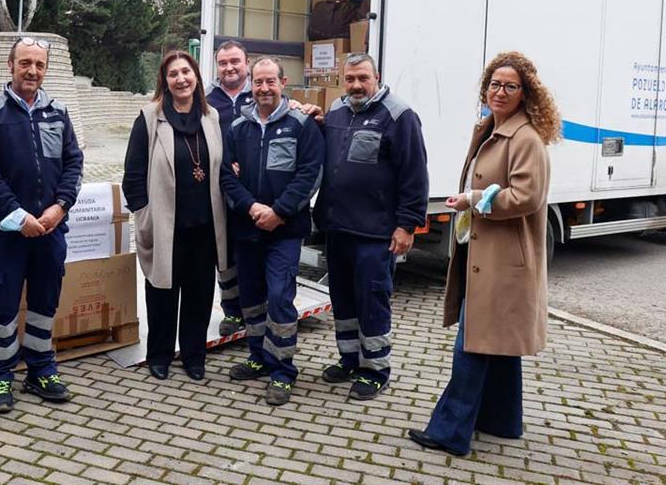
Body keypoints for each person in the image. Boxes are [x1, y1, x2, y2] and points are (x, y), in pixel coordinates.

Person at [408, 51, 559, 456]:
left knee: (473, 342)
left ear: (526, 93)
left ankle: (450, 432)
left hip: (503, 262)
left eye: (511, 86)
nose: (500, 92)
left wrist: (475, 199)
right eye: (495, 84)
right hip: (493, 257)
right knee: (499, 343)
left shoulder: (525, 138)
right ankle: (503, 421)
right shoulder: (492, 128)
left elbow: (527, 196)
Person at [0, 36, 84, 414]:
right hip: (9, 232)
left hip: (52, 229)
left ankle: (40, 369)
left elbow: (74, 165)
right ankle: (1, 376)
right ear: (11, 65)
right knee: (3, 303)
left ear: (45, 69)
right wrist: (19, 217)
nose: (32, 70)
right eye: (25, 63)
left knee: (44, 301)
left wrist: (60, 208)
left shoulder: (58, 113)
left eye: (39, 64)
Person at [313, 53, 429, 401]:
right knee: (343, 299)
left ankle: (375, 369)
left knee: (372, 300)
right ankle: (349, 358)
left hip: (376, 232)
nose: (356, 85)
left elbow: (415, 174)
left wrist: (407, 225)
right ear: (342, 80)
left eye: (363, 78)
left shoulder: (398, 115)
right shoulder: (335, 112)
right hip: (338, 228)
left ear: (376, 77)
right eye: (349, 79)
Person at [220, 57, 325, 406]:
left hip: (285, 231)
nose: (264, 88)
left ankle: (282, 370)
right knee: (250, 298)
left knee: (280, 297)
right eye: (258, 82)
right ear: (251, 84)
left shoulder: (301, 125)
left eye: (270, 82)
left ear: (283, 81)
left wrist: (279, 212)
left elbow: (309, 175)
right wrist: (251, 207)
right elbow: (226, 177)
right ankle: (257, 356)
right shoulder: (238, 127)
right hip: (248, 228)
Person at [123, 51, 227, 381]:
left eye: (186, 71)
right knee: (162, 293)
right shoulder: (150, 117)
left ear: (196, 76)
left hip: (205, 226)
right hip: (166, 225)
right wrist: (144, 213)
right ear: (165, 81)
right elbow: (133, 172)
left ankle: (195, 356)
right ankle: (160, 355)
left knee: (199, 295)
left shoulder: (212, 118)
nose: (181, 78)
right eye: (173, 74)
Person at [205, 41, 254, 337]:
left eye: (235, 61)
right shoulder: (207, 100)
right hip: (220, 192)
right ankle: (233, 312)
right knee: (225, 255)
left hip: (257, 191)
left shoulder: (262, 93)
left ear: (247, 63)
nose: (229, 67)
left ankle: (256, 309)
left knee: (252, 251)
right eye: (223, 63)